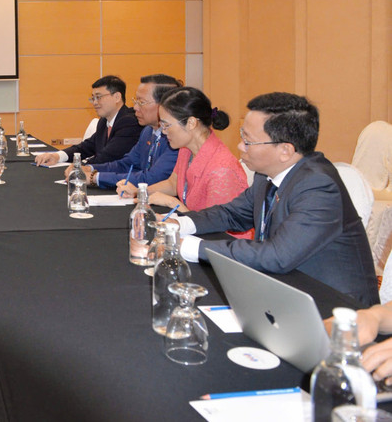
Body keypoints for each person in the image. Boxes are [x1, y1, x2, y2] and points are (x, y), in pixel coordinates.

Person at [173, 92, 379, 306]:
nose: (240, 147)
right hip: (285, 291)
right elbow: (231, 214)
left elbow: (277, 256)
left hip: (337, 309)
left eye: (247, 141)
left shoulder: (319, 186)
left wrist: (191, 247)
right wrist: (178, 224)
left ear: (285, 150)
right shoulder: (267, 175)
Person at [117, 86, 248, 214]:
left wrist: (173, 204)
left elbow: (216, 227)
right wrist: (139, 192)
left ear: (191, 123)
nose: (163, 131)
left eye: (166, 125)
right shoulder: (186, 149)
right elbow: (173, 183)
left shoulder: (222, 170)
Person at [68, 74, 181, 188]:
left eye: (141, 102)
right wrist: (90, 168)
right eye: (135, 101)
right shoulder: (147, 131)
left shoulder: (176, 139)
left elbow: (150, 178)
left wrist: (94, 177)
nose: (135, 107)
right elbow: (126, 164)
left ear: (164, 105)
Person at [34, 75, 142, 166]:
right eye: (93, 98)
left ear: (117, 97)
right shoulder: (104, 121)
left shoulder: (129, 122)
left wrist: (78, 168)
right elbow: (86, 147)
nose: (94, 103)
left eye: (99, 97)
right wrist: (56, 156)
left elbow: (107, 157)